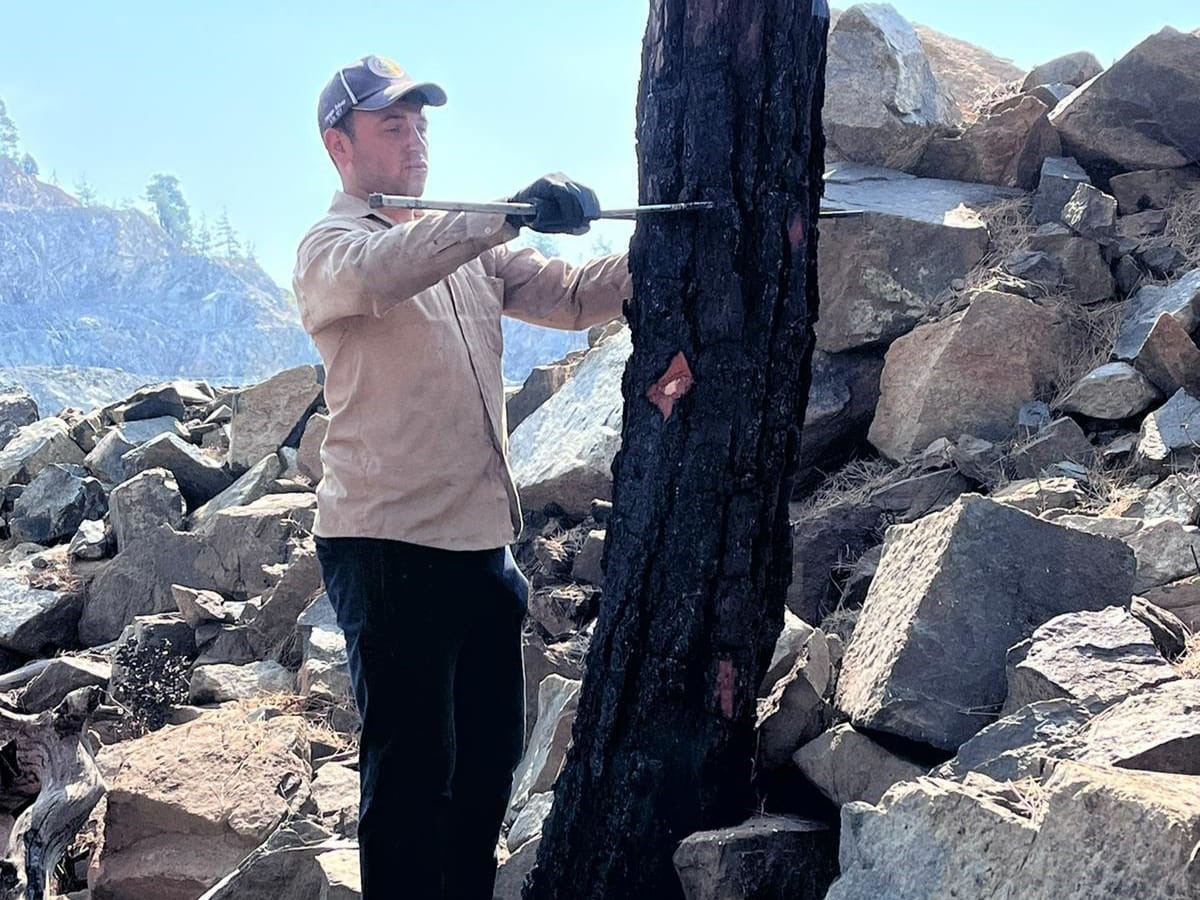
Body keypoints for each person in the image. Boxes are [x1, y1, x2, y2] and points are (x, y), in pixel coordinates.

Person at [293, 55, 631, 899]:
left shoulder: (464, 241)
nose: (415, 140)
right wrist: (509, 213)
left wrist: (664, 247)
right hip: (386, 544)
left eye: (420, 123)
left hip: (484, 548)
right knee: (412, 779)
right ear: (339, 144)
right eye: (391, 125)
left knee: (486, 768)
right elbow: (388, 271)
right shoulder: (332, 248)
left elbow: (577, 298)